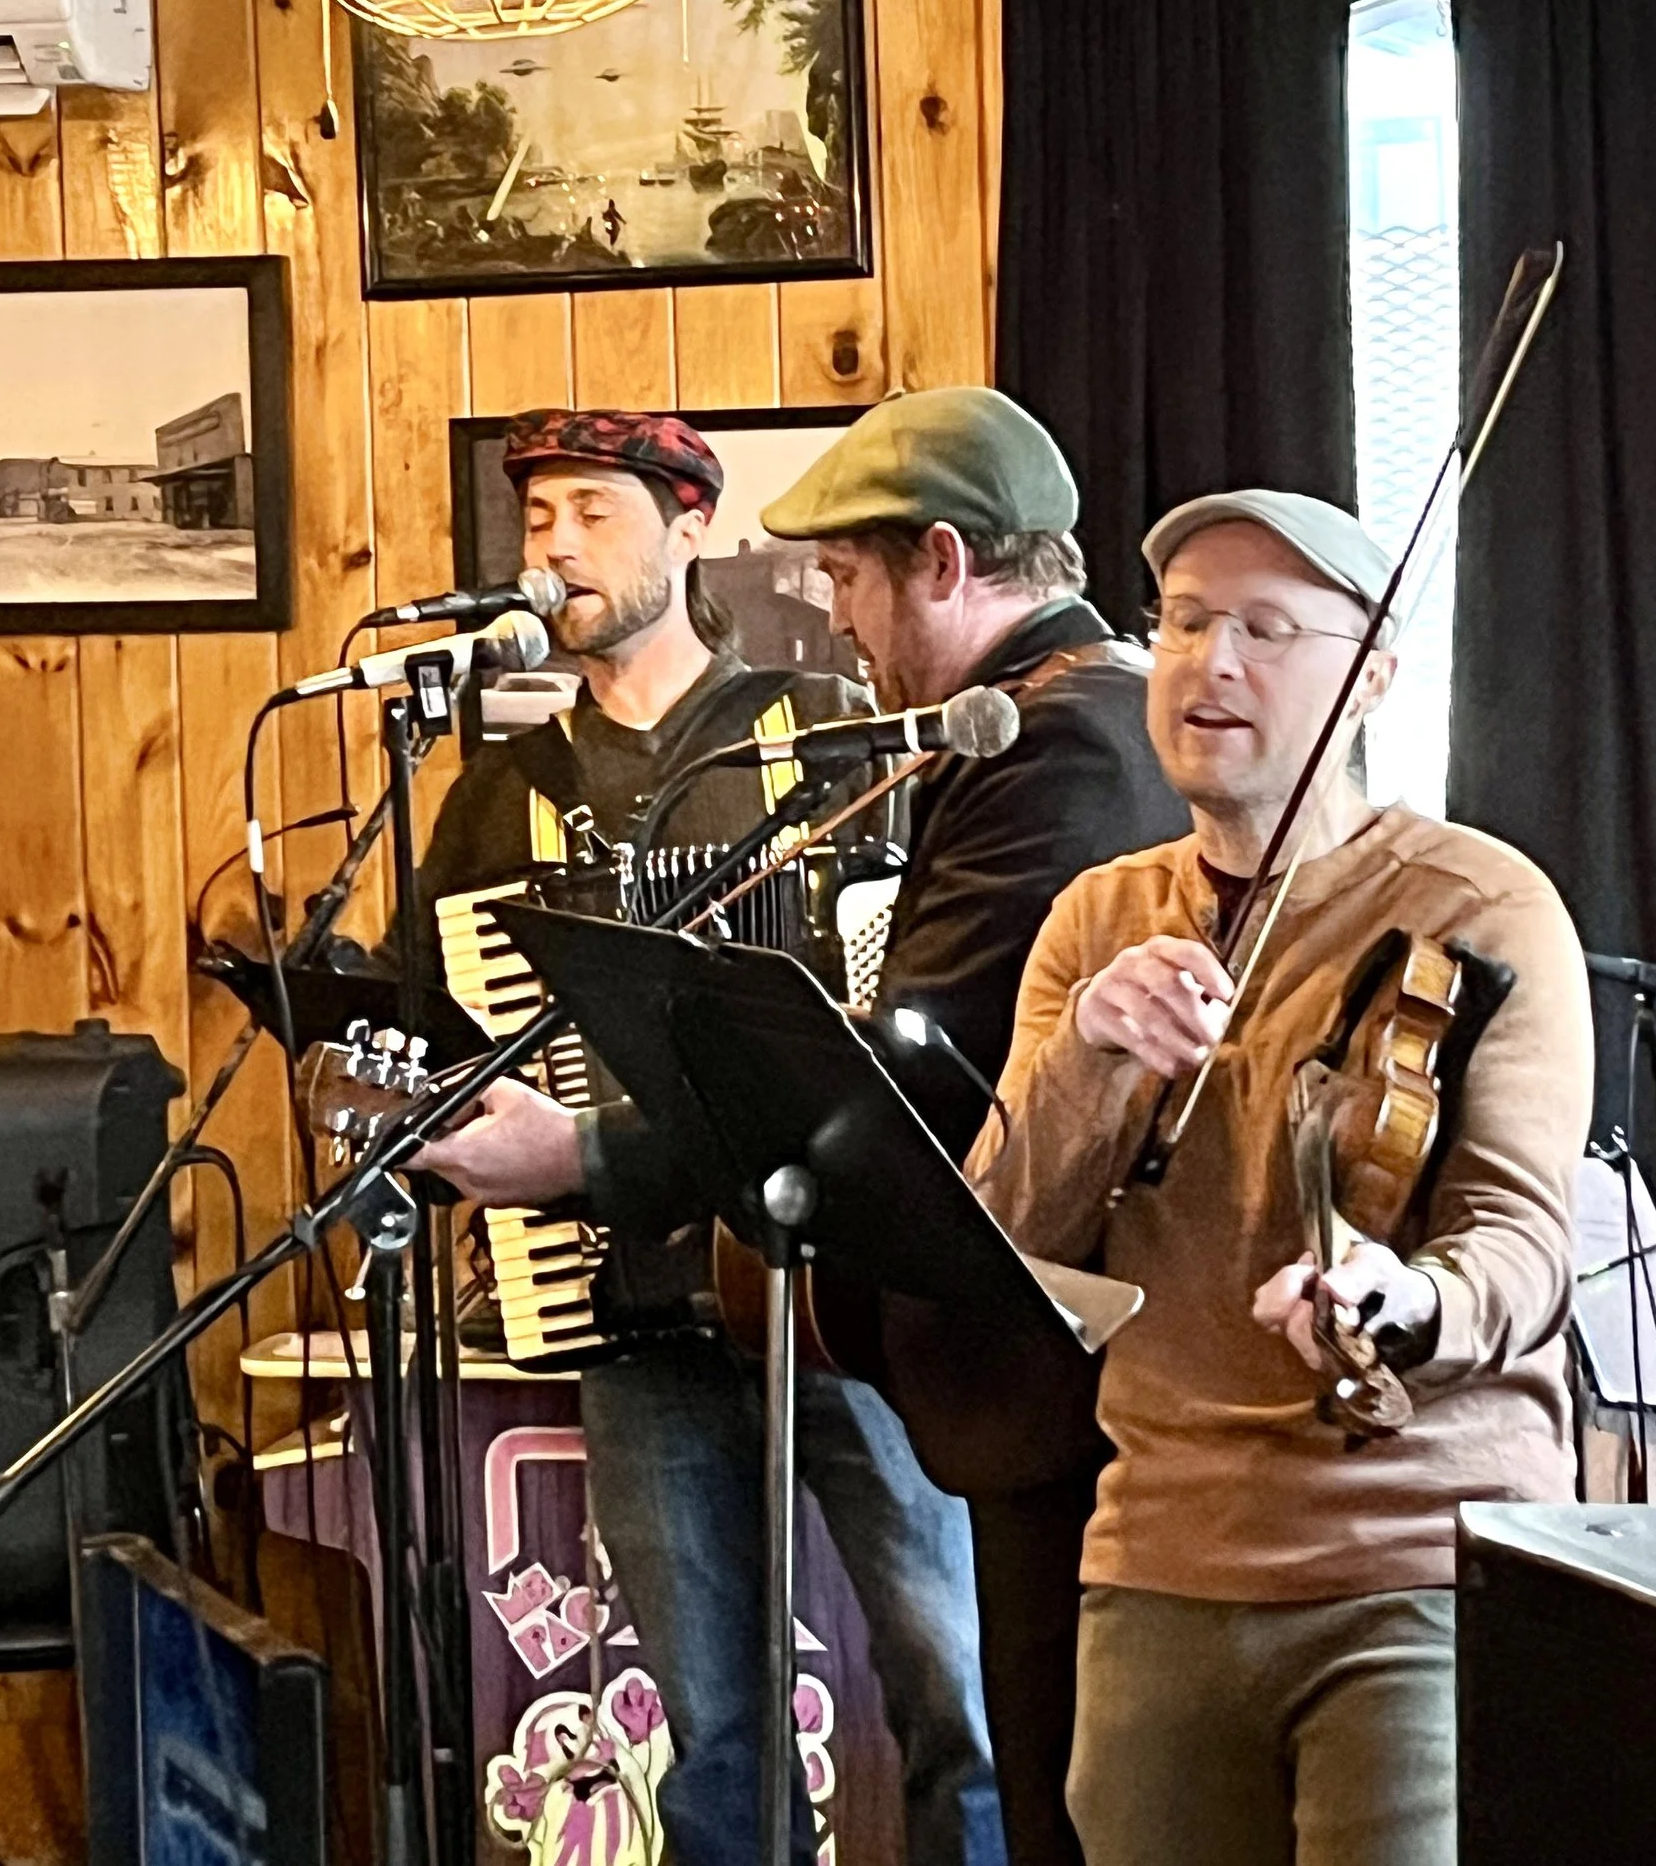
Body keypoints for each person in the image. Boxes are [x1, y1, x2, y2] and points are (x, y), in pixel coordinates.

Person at [416, 387, 1190, 1866]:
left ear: (946, 563)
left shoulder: (1056, 742)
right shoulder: (998, 731)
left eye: (846, 575)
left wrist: (587, 1155)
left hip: (1009, 1340)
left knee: (989, 1721)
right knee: (778, 1729)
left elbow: (911, 1087)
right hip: (774, 1315)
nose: (830, 615)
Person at [966, 490, 1595, 1866]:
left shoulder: (1482, 905)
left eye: (1266, 627)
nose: (1214, 664)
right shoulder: (1099, 918)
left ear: (1370, 674)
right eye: (1186, 622)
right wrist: (1089, 1055)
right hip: (1158, 1558)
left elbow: (1520, 1242)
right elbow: (1007, 1231)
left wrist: (1403, 1296)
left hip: (1417, 1562)